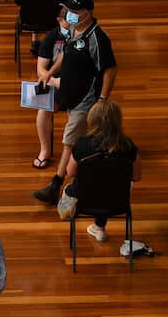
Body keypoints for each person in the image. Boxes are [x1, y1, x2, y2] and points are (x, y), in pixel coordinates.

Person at [33, 0, 117, 206]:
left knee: (69, 141)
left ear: (87, 14)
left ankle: (56, 184)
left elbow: (109, 70)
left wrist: (102, 99)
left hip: (86, 100)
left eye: (74, 11)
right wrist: (50, 72)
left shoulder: (97, 38)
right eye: (69, 10)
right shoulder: (72, 30)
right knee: (77, 139)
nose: (69, 14)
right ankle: (80, 178)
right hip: (69, 94)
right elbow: (65, 55)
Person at [60, 100, 141, 243]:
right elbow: (136, 176)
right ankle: (99, 227)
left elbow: (70, 172)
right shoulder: (128, 145)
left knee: (84, 184)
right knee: (109, 182)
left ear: (92, 119)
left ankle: (74, 215)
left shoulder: (82, 145)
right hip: (117, 200)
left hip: (86, 200)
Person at [30, 8, 71, 170]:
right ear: (59, 21)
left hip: (77, 86)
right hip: (55, 84)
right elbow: (41, 69)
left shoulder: (82, 37)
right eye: (67, 22)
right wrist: (53, 80)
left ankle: (73, 153)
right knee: (43, 109)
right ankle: (45, 151)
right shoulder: (52, 38)